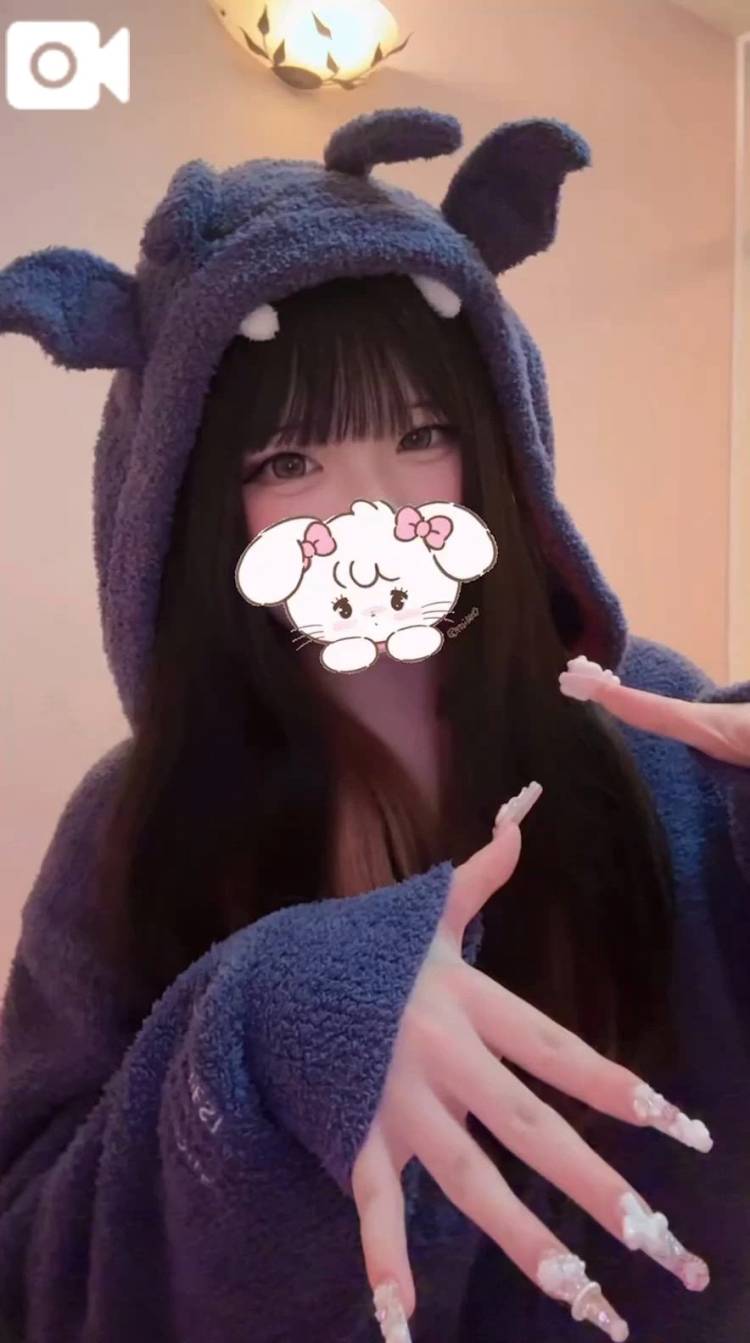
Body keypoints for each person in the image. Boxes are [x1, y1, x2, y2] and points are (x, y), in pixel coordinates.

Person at [0, 106, 747, 1343]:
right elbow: (34, 1275)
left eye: (423, 434)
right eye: (288, 461)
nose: (371, 517)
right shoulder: (127, 826)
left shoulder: (655, 737)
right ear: (192, 503)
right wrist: (265, 1038)